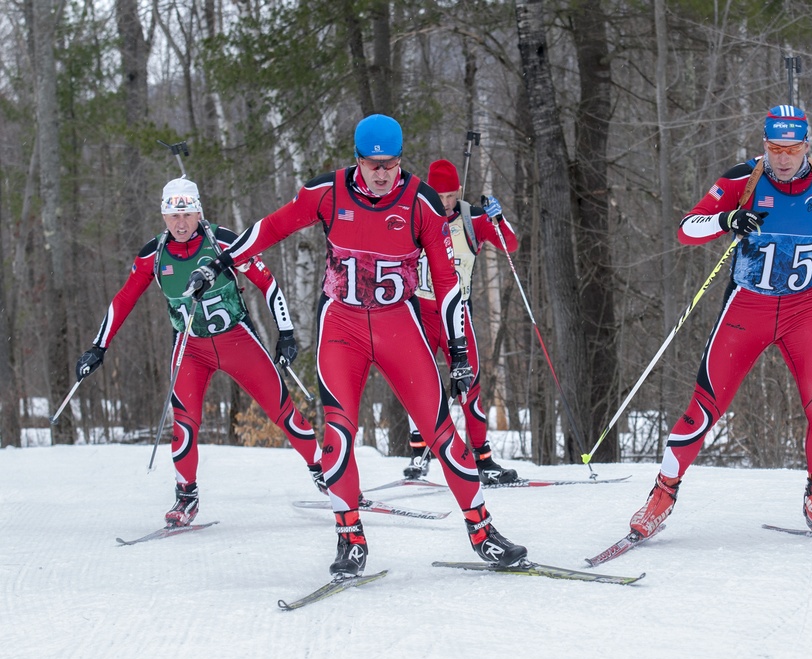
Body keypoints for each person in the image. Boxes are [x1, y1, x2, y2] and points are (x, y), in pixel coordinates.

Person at [184, 114, 528, 576]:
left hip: (398, 326)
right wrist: (219, 261)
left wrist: (461, 354)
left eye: (391, 164)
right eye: (373, 164)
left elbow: (447, 285)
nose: (383, 173)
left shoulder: (421, 202)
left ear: (401, 161)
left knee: (441, 433)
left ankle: (482, 532)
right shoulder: (327, 192)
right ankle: (350, 537)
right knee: (338, 434)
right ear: (358, 160)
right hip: (342, 326)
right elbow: (271, 228)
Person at [628, 105, 812, 537]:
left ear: (805, 147)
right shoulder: (744, 179)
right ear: (764, 146)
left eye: (791, 150)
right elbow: (687, 228)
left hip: (802, 310)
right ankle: (661, 496)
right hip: (747, 308)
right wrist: (727, 219)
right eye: (774, 149)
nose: (782, 159)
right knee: (703, 409)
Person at [75, 177, 324, 527]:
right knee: (185, 424)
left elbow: (269, 284)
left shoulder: (222, 242)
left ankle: (324, 471)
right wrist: (97, 348)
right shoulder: (154, 254)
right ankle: (186, 496)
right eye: (173, 216)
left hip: (236, 341)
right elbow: (124, 299)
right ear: (163, 216)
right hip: (190, 348)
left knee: (283, 411)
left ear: (198, 212)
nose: (180, 224)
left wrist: (285, 334)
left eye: (187, 214)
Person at [401, 158, 520, 484]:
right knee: (416, 381)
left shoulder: (471, 219)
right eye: (439, 196)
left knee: (471, 384)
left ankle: (484, 460)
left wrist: (499, 219)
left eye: (451, 196)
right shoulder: (415, 214)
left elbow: (510, 244)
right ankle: (418, 455)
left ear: (459, 191)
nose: (445, 203)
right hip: (421, 311)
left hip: (457, 312)